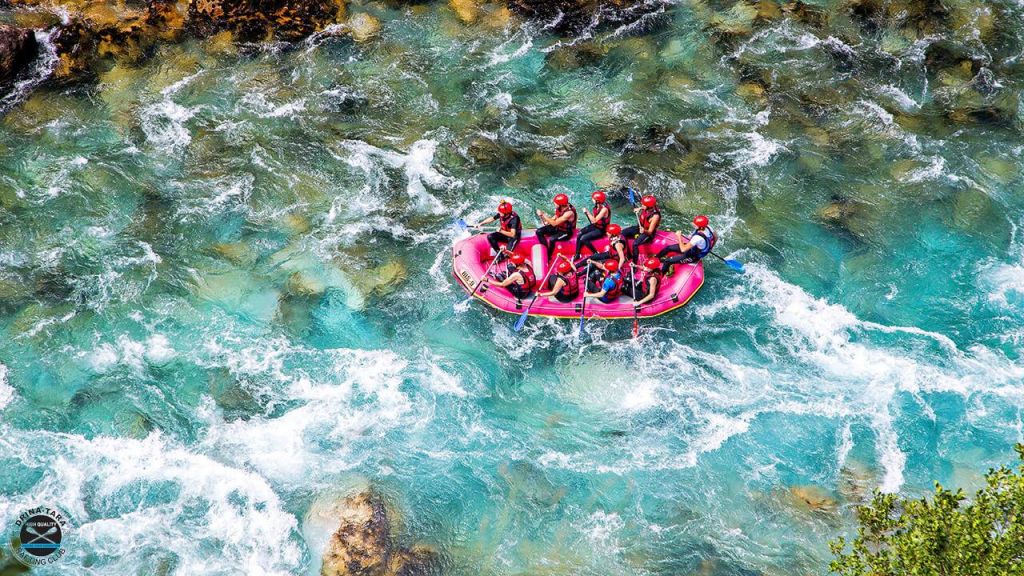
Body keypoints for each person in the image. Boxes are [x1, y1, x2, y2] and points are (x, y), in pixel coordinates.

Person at [535, 194, 577, 259]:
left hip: (566, 232)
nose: (554, 204)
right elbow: (556, 216)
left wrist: (543, 215)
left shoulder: (569, 213)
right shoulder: (560, 207)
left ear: (560, 204)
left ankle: (548, 256)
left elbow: (554, 223)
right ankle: (545, 250)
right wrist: (547, 221)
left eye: (555, 203)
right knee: (539, 231)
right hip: (558, 227)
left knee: (552, 239)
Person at [573, 190, 612, 261]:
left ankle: (595, 253)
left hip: (601, 230)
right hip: (596, 226)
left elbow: (594, 220)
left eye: (593, 199)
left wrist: (587, 212)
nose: (592, 199)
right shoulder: (597, 206)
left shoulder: (604, 209)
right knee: (579, 234)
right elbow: (594, 221)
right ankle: (577, 254)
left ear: (597, 201)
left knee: (583, 238)